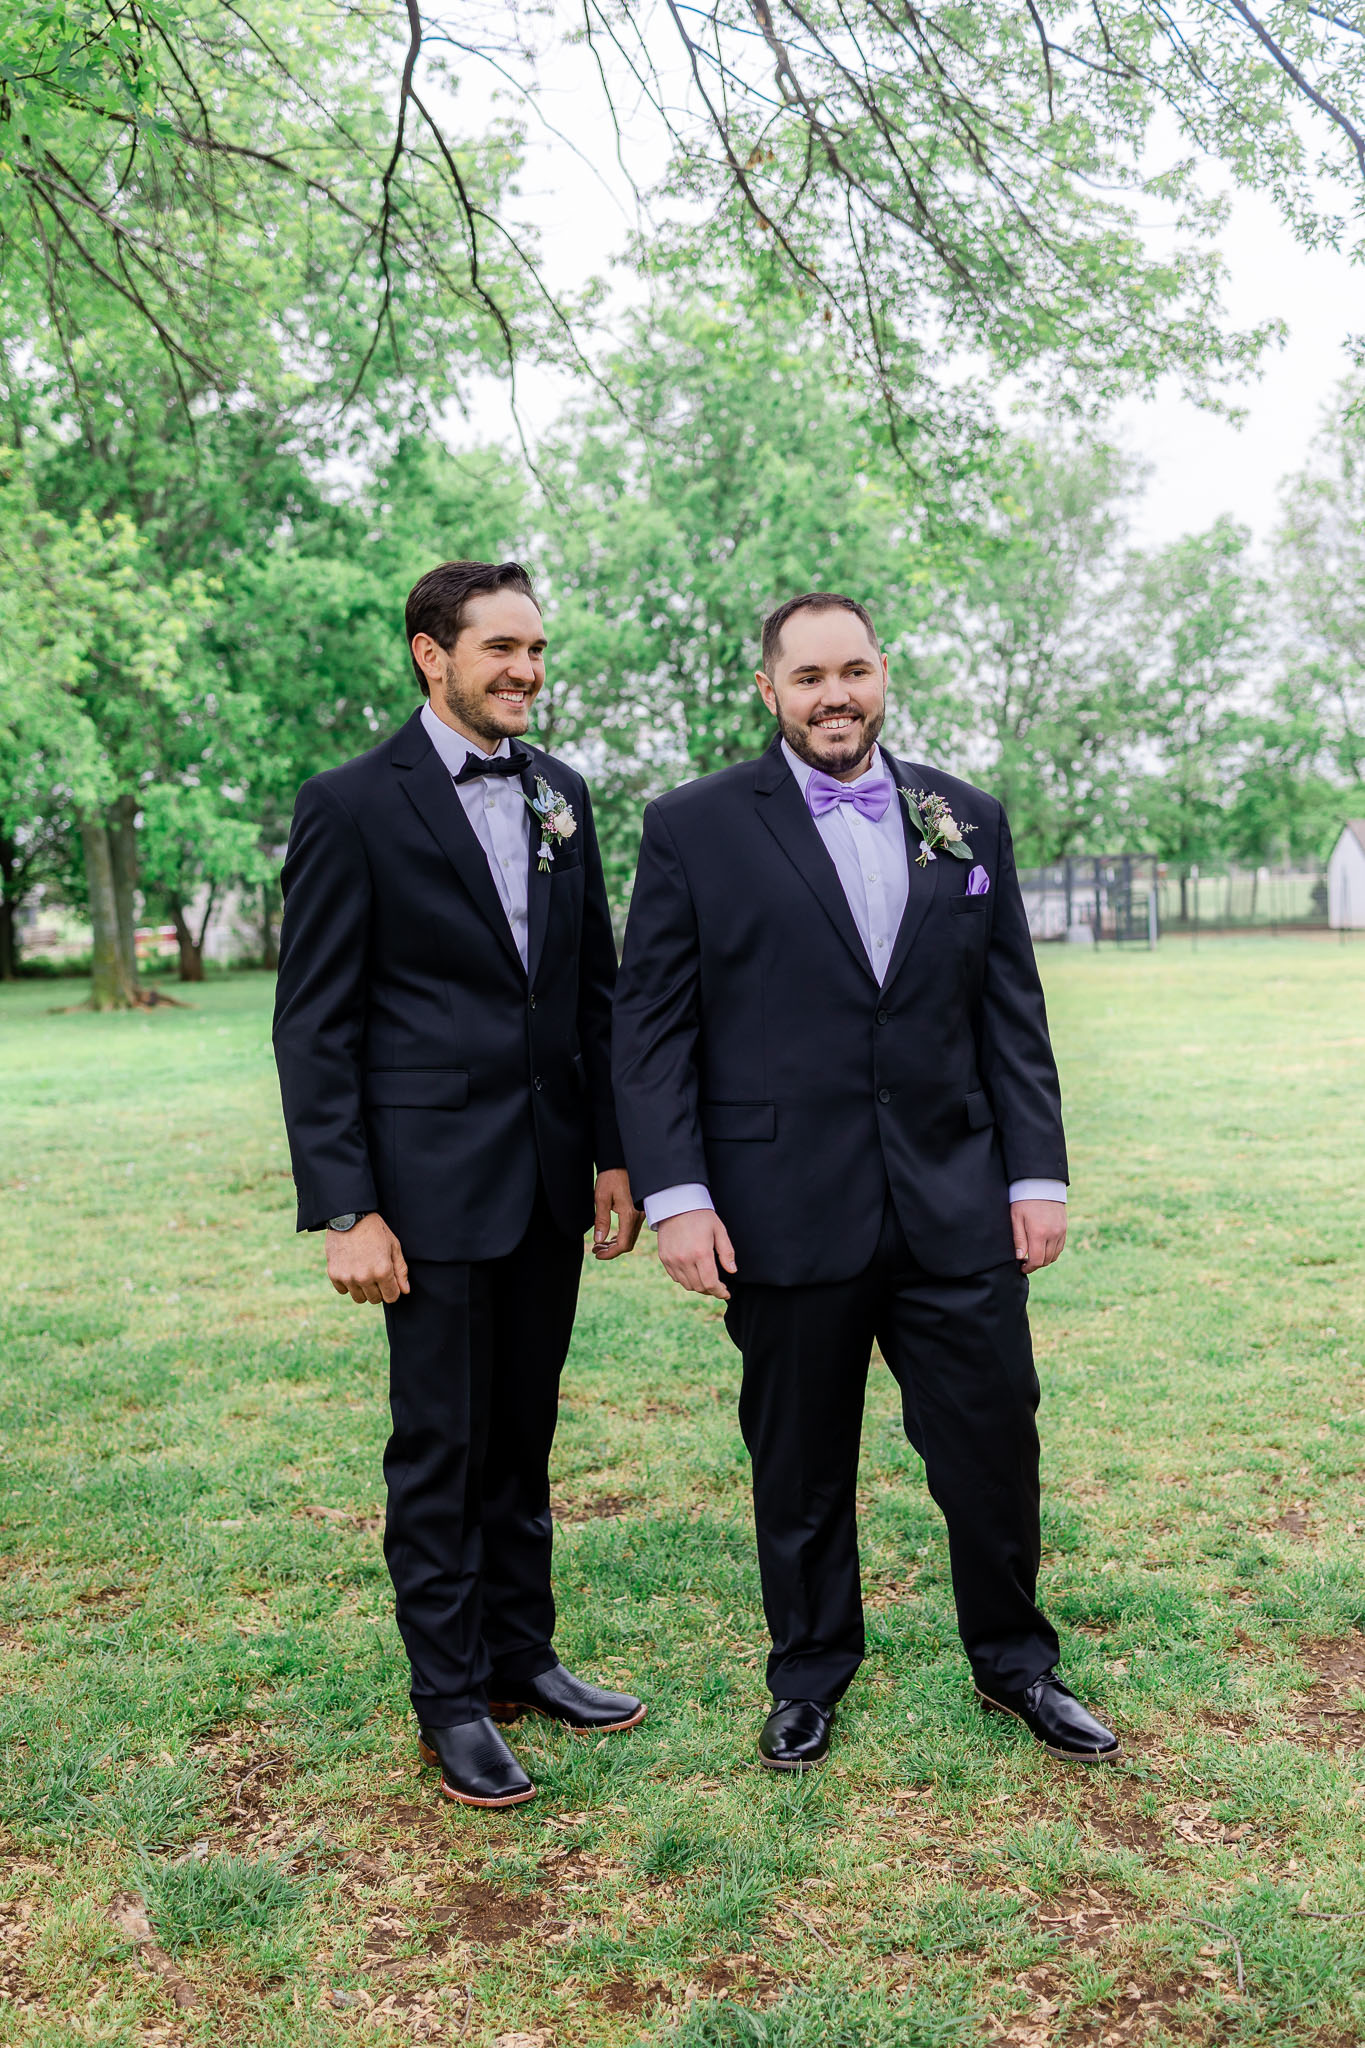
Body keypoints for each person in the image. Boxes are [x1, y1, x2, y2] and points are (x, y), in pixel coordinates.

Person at [611, 591, 1117, 1771]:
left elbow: (1011, 1010)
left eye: (854, 671)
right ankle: (808, 1672)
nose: (835, 695)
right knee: (798, 1460)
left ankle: (1018, 1663)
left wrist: (1036, 1171)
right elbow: (652, 1028)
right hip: (781, 1205)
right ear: (770, 690)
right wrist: (679, 1195)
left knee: (994, 1441)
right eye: (809, 677)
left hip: (958, 1197)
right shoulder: (692, 825)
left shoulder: (965, 817)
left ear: (882, 672)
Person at [273, 559, 644, 1810]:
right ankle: (449, 1701)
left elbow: (593, 988)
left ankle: (522, 1656)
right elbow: (314, 1022)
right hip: (423, 1192)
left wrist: (613, 1150)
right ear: (432, 654)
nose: (526, 670)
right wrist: (347, 1206)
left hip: (547, 1178)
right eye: (502, 649)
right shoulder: (349, 804)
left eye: (536, 649)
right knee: (442, 1446)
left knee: (523, 1433)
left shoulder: (561, 794)